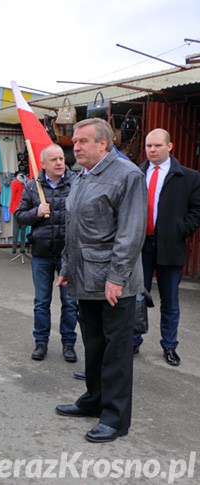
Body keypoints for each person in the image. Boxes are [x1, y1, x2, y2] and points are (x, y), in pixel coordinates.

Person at [55, 118, 146, 443]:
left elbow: (131, 232)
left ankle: (116, 418)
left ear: (103, 144)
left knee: (116, 352)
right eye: (75, 142)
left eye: (82, 141)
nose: (75, 147)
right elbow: (73, 227)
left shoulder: (128, 175)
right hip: (84, 278)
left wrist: (117, 278)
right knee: (93, 346)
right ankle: (94, 400)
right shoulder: (81, 176)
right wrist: (66, 266)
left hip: (113, 283)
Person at [132, 128, 200, 366]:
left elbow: (197, 211)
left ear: (170, 147)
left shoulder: (189, 177)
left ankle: (169, 346)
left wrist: (181, 229)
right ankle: (133, 340)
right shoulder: (136, 174)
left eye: (157, 146)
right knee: (136, 296)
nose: (152, 150)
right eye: (149, 146)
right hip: (141, 246)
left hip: (171, 246)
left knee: (170, 301)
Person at [14, 144, 78, 363]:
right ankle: (41, 343)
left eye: (61, 158)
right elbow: (20, 216)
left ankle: (68, 343)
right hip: (42, 253)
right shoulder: (33, 187)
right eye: (54, 160)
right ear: (43, 164)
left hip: (68, 253)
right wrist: (37, 212)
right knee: (42, 301)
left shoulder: (76, 183)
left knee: (70, 302)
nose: (60, 163)